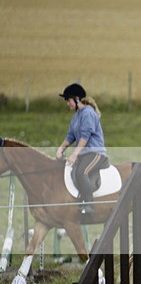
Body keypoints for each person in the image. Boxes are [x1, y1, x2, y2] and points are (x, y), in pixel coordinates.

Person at [55, 82, 110, 218]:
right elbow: (70, 136)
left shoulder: (88, 113)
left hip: (95, 153)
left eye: (68, 100)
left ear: (77, 99)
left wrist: (74, 154)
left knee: (81, 173)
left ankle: (89, 206)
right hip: (83, 154)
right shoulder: (76, 117)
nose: (67, 103)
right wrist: (61, 149)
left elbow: (85, 137)